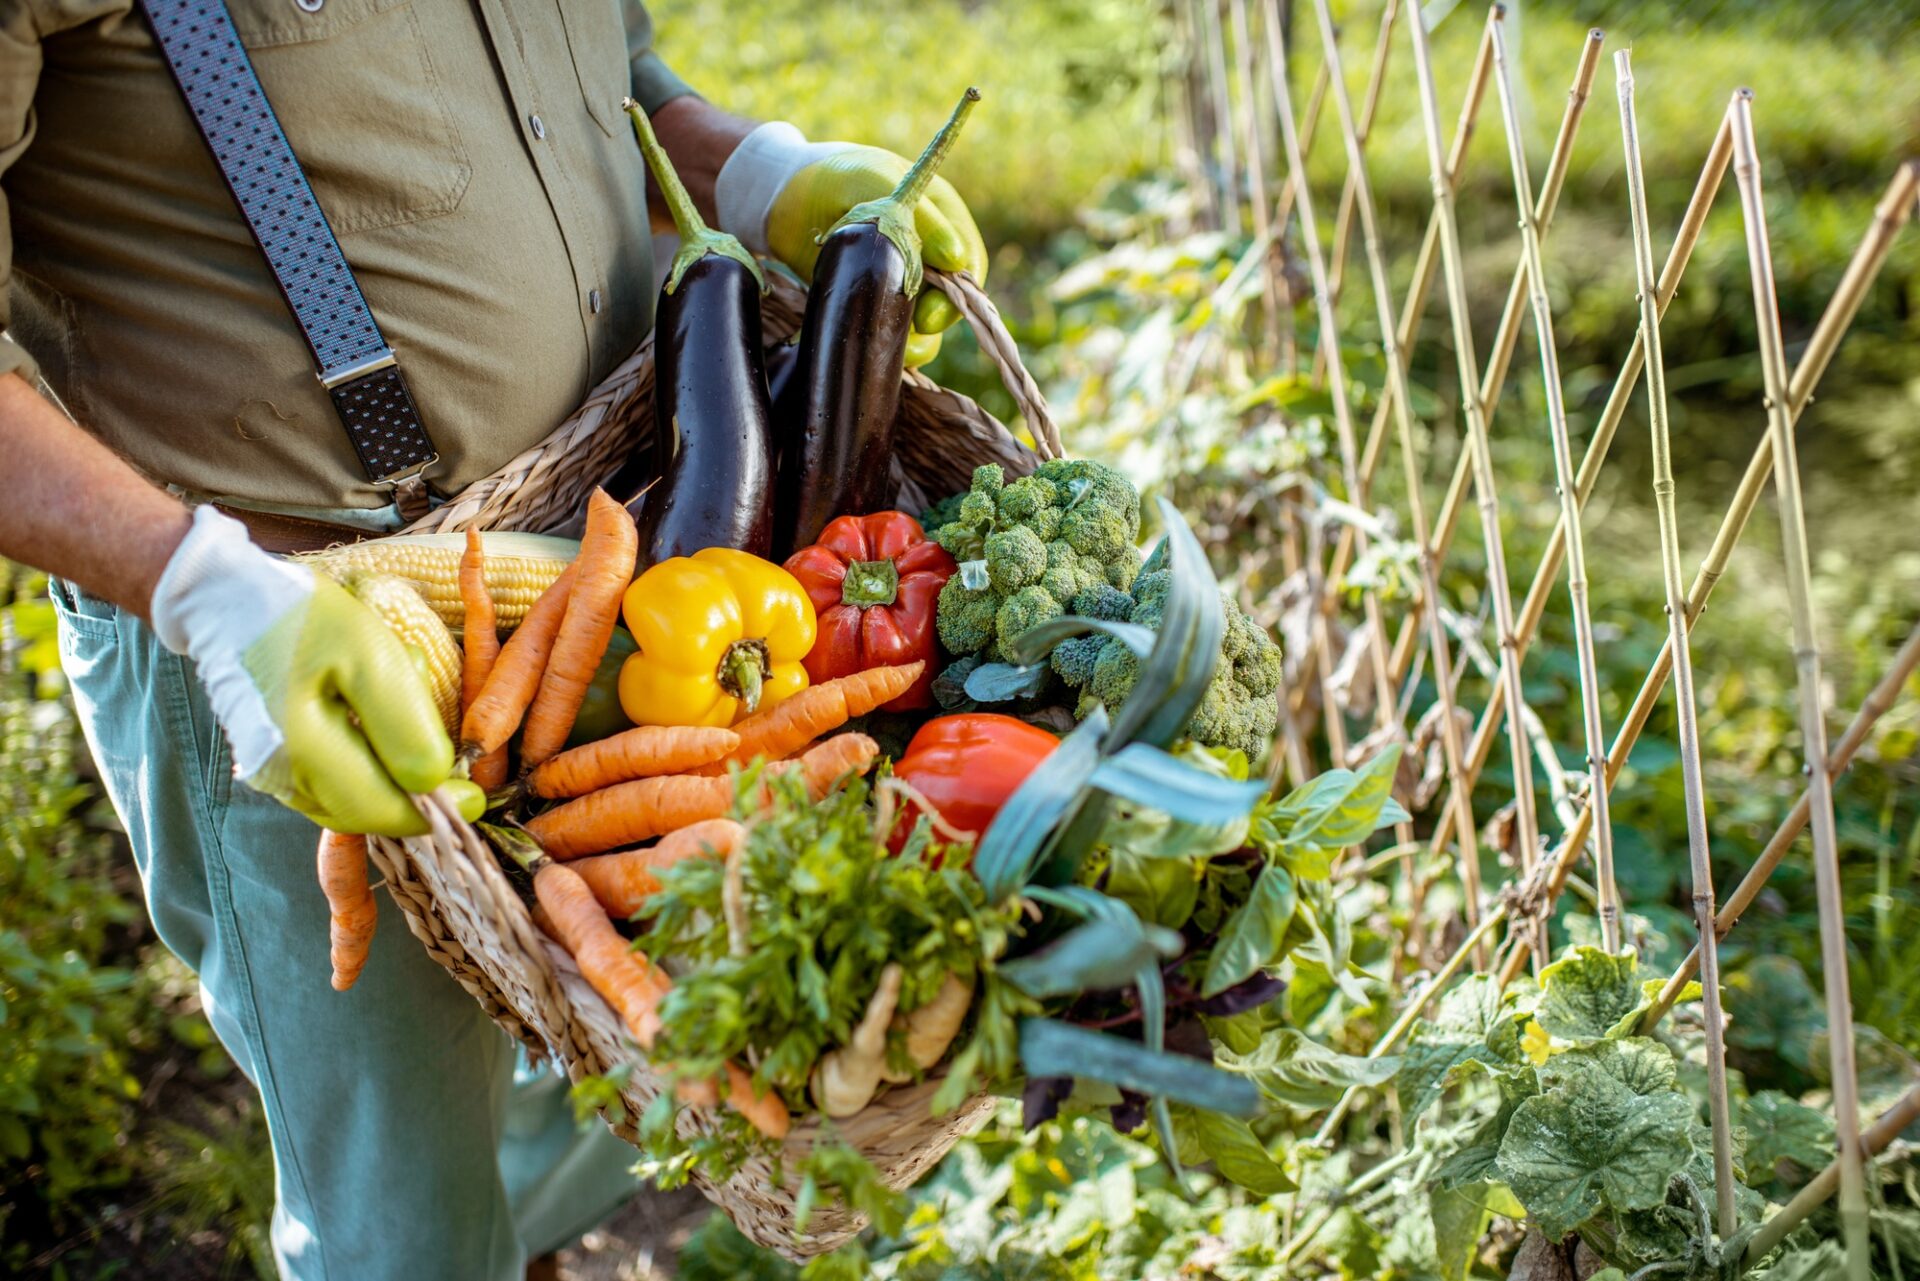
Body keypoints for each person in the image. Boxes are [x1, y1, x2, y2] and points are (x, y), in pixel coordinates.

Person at [0, 2, 987, 1277]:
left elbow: (600, 74)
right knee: (401, 1222)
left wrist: (750, 171)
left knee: (599, 1045)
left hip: (629, 545)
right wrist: (198, 587)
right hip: (300, 630)